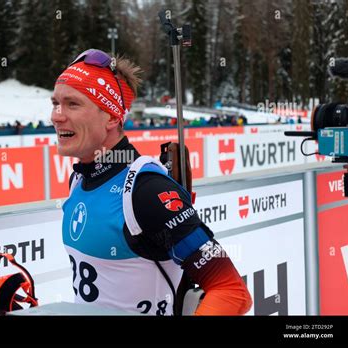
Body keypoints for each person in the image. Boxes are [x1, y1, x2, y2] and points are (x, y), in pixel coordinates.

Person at [51, 49, 252, 316]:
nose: (56, 115)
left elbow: (230, 290)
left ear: (111, 117)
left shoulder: (144, 190)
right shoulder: (78, 180)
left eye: (72, 104)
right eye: (55, 103)